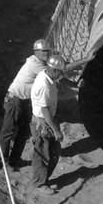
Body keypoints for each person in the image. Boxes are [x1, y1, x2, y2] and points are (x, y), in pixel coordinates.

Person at [0, 38, 51, 169]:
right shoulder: (36, 65)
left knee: (23, 131)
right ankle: (1, 161)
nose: (46, 53)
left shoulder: (37, 61)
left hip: (24, 101)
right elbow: (53, 73)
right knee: (8, 131)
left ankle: (14, 160)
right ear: (36, 52)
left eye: (48, 51)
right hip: (14, 100)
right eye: (44, 51)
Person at [30, 54, 68, 195]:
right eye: (61, 72)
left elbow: (61, 80)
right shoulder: (44, 85)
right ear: (55, 71)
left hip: (47, 121)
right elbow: (45, 111)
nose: (62, 74)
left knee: (53, 152)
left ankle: (44, 179)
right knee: (43, 154)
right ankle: (39, 184)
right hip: (43, 123)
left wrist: (74, 85)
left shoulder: (47, 75)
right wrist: (56, 131)